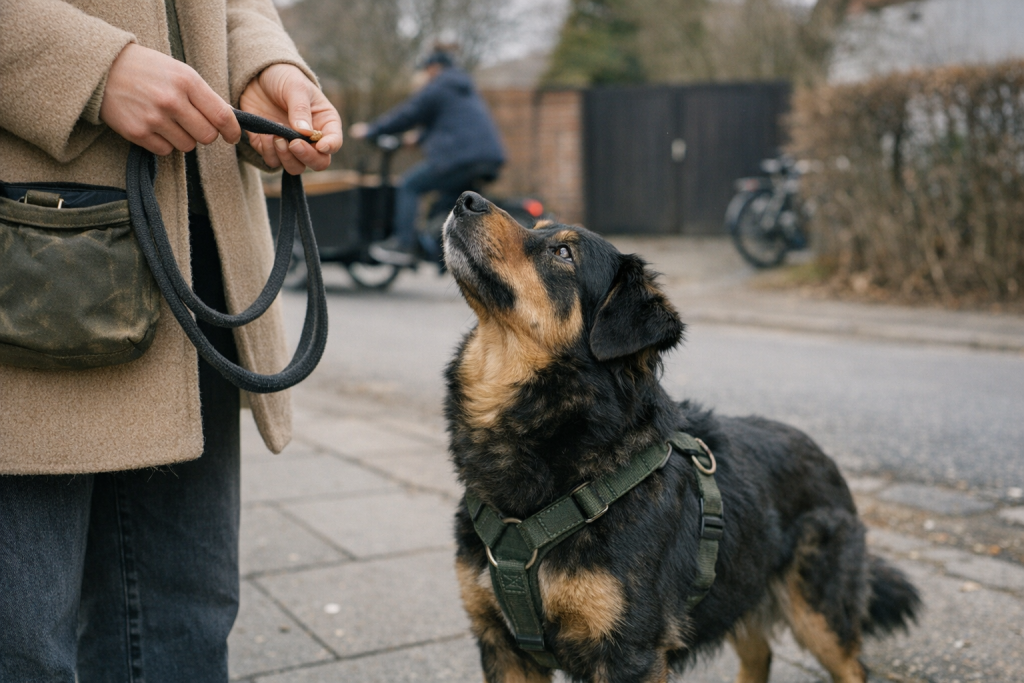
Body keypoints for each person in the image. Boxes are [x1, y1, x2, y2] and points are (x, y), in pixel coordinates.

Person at [0, 1, 342, 681]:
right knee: (22, 643)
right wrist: (88, 68)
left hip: (197, 257)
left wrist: (260, 62)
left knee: (184, 625)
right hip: (34, 257)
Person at [349, 49, 506, 266]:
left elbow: (409, 113)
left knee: (409, 185)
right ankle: (449, 253)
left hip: (461, 158)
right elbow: (451, 123)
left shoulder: (440, 84)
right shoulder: (462, 88)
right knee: (448, 204)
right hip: (485, 157)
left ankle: (403, 244)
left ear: (433, 68)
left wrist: (371, 130)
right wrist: (419, 138)